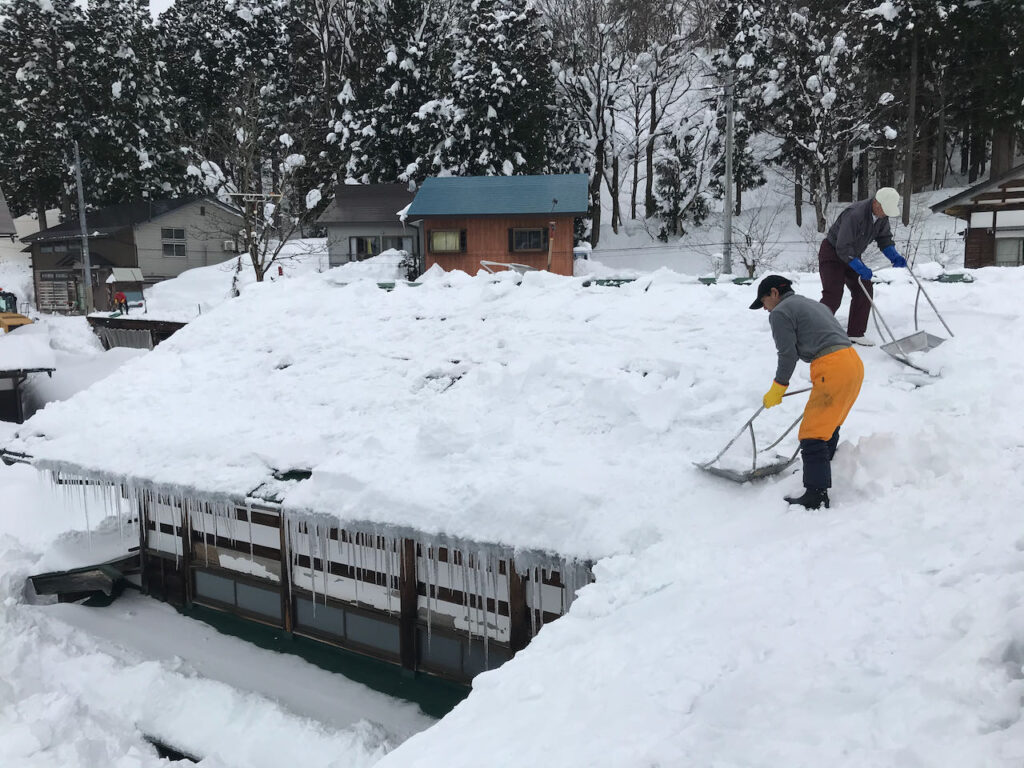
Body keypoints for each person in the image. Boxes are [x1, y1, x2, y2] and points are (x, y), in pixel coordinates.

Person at [750, 275, 865, 510]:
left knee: (811, 434)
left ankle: (816, 495)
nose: (764, 308)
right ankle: (826, 467)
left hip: (832, 366)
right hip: (852, 363)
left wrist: (778, 386)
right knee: (828, 425)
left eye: (763, 301)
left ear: (774, 293)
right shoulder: (812, 304)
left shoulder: (780, 312)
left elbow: (787, 354)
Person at [819, 187, 906, 346]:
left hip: (852, 254)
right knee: (833, 294)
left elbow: (884, 238)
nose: (885, 214)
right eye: (885, 210)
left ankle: (855, 333)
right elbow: (842, 247)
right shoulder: (855, 214)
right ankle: (814, 330)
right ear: (876, 204)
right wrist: (859, 267)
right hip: (832, 253)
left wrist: (894, 255)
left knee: (864, 289)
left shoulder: (881, 216)